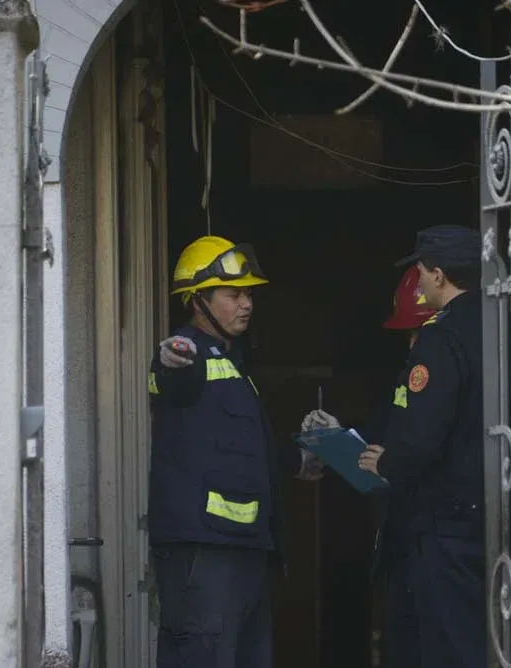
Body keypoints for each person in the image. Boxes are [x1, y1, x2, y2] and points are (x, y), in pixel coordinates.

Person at [147, 235, 322, 668]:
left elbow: (247, 447)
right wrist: (170, 361)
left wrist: (300, 461)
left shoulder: (234, 364)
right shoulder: (187, 354)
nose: (246, 304)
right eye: (233, 294)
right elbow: (173, 379)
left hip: (244, 551)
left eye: (249, 294)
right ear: (197, 301)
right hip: (203, 554)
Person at [358, 224, 485, 668]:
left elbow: (421, 434)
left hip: (446, 523)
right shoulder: (510, 325)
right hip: (504, 514)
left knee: (445, 644)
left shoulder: (441, 337)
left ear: (438, 275)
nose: (419, 279)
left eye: (421, 270)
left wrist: (386, 463)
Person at [301, 264, 437, 668]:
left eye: (419, 332)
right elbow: (385, 430)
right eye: (408, 334)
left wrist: (388, 460)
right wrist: (340, 436)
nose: (412, 344)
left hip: (438, 543)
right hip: (402, 541)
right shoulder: (409, 380)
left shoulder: (451, 380)